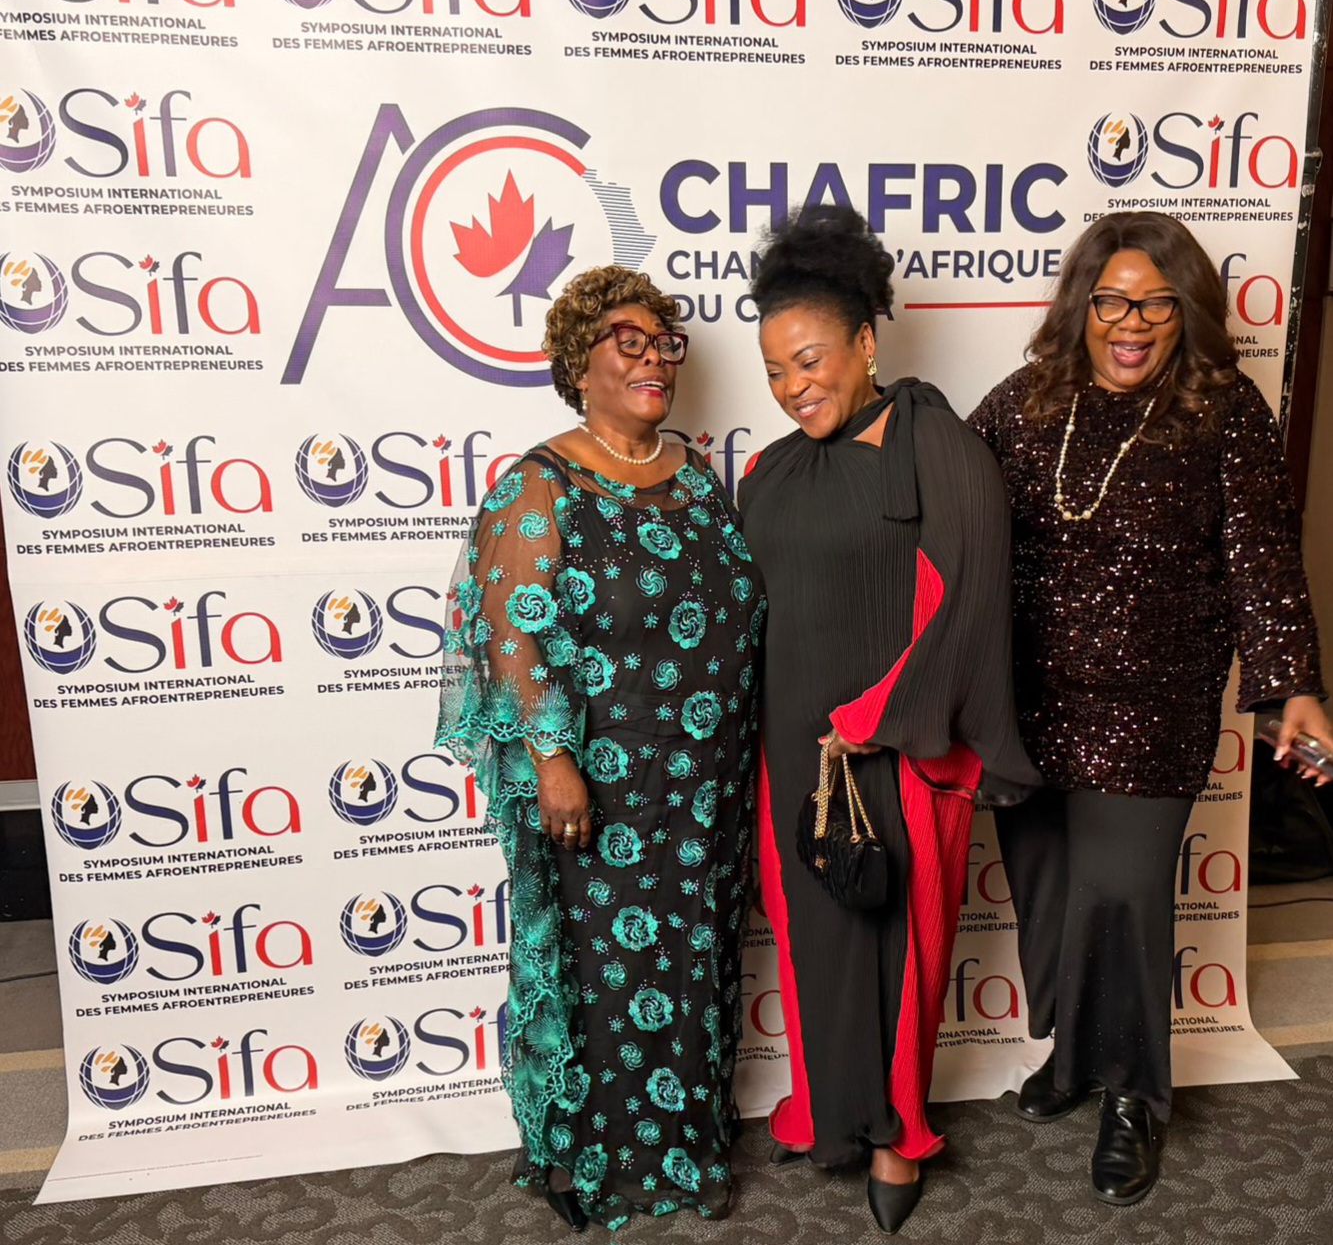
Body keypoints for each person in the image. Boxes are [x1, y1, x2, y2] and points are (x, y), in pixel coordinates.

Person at [969, 209, 1332, 1206]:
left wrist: (1292, 685)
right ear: (1081, 306)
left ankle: (1132, 1094)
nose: (1130, 324)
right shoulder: (1029, 398)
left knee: (1123, 899)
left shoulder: (1222, 409)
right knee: (1049, 896)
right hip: (1028, 698)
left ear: (1186, 313)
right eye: (1112, 302)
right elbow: (947, 486)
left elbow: (1262, 557)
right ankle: (1072, 1057)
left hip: (1152, 704)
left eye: (1156, 305)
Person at [436, 266, 762, 1231]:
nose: (655, 357)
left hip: (707, 786)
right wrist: (552, 760)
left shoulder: (694, 475)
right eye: (629, 341)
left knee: (694, 968)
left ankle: (691, 1150)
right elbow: (511, 632)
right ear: (579, 364)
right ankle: (592, 1159)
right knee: (603, 976)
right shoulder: (542, 483)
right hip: (604, 783)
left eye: (665, 342)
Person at [738, 206, 1039, 1234]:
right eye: (774, 370)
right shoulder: (770, 470)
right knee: (811, 939)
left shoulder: (940, 449)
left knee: (898, 950)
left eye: (809, 359)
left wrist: (876, 715)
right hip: (793, 753)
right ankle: (826, 1106)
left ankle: (896, 1134)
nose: (792, 385)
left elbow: (970, 601)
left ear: (866, 340)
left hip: (897, 749)